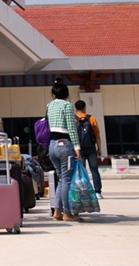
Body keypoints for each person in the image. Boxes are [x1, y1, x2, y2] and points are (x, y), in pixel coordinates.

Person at [47, 77, 82, 222]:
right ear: (67, 94)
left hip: (52, 145)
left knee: (61, 179)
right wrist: (77, 147)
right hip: (64, 144)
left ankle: (57, 211)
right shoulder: (67, 106)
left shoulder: (49, 105)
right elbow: (71, 127)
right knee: (66, 180)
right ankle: (67, 213)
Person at [75, 100, 103, 199]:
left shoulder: (74, 119)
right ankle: (98, 192)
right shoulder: (91, 119)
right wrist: (99, 148)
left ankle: (84, 191)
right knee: (94, 170)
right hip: (91, 148)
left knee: (81, 171)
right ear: (84, 108)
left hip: (79, 149)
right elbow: (97, 135)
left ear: (75, 109)